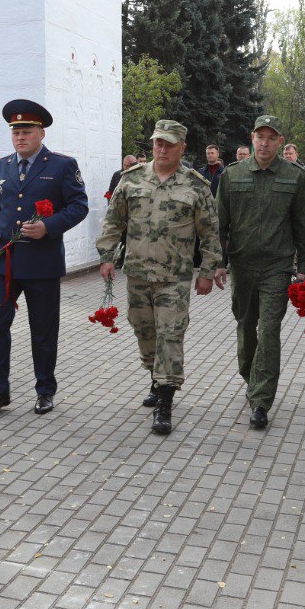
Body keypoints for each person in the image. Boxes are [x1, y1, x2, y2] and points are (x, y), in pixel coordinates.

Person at [96, 120, 223, 435]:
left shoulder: (196, 186)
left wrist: (207, 271)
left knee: (170, 334)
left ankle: (165, 400)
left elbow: (210, 234)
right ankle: (156, 377)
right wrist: (107, 257)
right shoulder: (131, 180)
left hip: (174, 278)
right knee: (145, 332)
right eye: (157, 143)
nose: (162, 149)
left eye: (168, 144)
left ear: (182, 146)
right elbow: (113, 221)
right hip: (137, 273)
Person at [0, 98, 90, 416]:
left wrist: (48, 227)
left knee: (43, 329)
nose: (20, 137)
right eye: (16, 132)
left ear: (41, 133)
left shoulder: (62, 165)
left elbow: (79, 205)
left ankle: (45, 390)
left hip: (42, 263)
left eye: (26, 131)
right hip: (3, 263)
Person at [215, 115, 305, 431]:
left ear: (280, 141)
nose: (265, 142)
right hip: (242, 266)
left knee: (269, 329)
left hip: (277, 267)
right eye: (261, 136)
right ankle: (251, 377)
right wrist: (217, 262)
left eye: (272, 138)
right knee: (246, 327)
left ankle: (261, 401)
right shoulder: (233, 175)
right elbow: (219, 225)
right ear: (253, 138)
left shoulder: (295, 177)